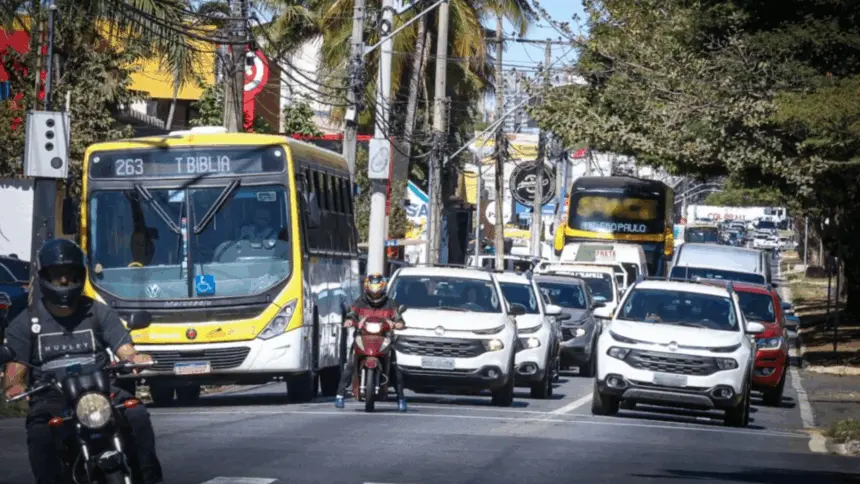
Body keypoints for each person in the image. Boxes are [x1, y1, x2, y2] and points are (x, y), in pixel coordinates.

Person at [2, 239, 164, 484]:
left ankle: (150, 479)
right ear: (45, 277)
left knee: (137, 414)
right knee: (40, 433)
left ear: (80, 274)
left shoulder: (98, 312)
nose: (64, 282)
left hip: (100, 391)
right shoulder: (26, 322)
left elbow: (125, 350)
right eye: (57, 276)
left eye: (69, 274)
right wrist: (15, 386)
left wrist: (135, 358)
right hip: (51, 396)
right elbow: (16, 370)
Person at [335, 273, 407, 412]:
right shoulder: (360, 302)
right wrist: (350, 320)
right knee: (350, 364)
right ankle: (340, 395)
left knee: (394, 368)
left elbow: (398, 317)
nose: (375, 296)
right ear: (367, 288)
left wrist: (398, 323)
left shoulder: (390, 303)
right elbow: (351, 314)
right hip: (362, 337)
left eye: (378, 292)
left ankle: (401, 398)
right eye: (373, 292)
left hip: (384, 338)